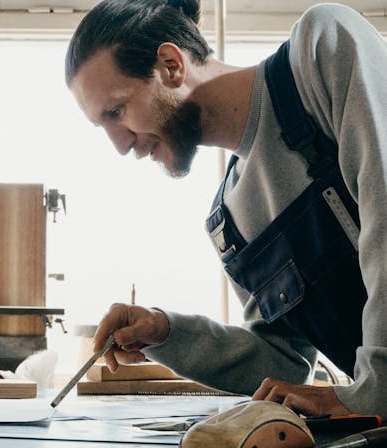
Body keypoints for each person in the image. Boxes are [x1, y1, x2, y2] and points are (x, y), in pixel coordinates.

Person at [64, 0, 386, 416]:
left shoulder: (320, 49)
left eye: (117, 111)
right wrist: (165, 332)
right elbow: (283, 360)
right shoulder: (231, 219)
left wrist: (375, 389)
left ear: (170, 66)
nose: (120, 144)